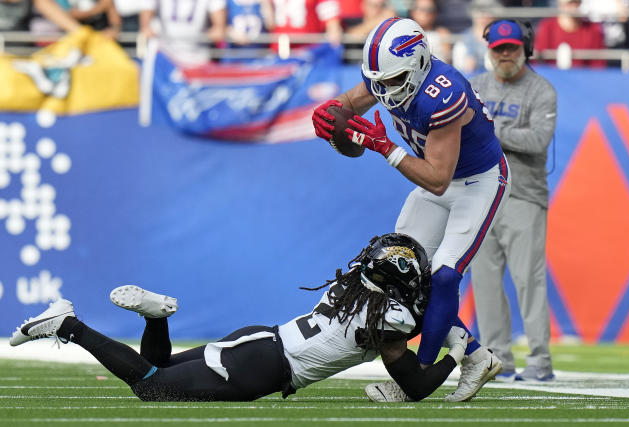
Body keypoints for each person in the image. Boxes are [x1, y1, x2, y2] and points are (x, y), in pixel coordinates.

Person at [10, 234, 469, 402]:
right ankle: (68, 326)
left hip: (261, 338)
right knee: (150, 386)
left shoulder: (352, 283)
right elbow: (415, 385)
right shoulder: (387, 317)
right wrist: (456, 355)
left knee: (162, 368)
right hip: (265, 367)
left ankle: (156, 319)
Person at [312, 17, 510, 402]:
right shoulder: (390, 74)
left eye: (392, 81)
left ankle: (417, 374)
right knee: (398, 274)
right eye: (379, 82)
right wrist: (328, 112)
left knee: (445, 276)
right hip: (436, 178)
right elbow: (351, 102)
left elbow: (437, 178)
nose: (384, 92)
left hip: (476, 181)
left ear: (419, 62)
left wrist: (386, 148)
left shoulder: (444, 92)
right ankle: (475, 356)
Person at [470, 19, 557, 382]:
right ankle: (497, 358)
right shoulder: (474, 85)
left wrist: (488, 128)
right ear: (490, 51)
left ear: (526, 49)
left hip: (523, 195)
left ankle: (539, 359)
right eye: (499, 49)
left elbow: (537, 140)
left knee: (529, 280)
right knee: (485, 283)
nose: (505, 55)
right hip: (481, 196)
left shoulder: (541, 90)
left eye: (512, 48)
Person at [139, 0, 227, 66]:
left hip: (198, 58)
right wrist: (146, 27)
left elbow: (219, 29)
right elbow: (145, 24)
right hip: (166, 57)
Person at [534, 0, 606, 68]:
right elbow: (538, 62)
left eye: (576, 2)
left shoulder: (593, 29)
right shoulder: (547, 27)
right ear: (560, 5)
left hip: (583, 78)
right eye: (569, 4)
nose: (573, 7)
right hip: (551, 77)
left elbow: (598, 66)